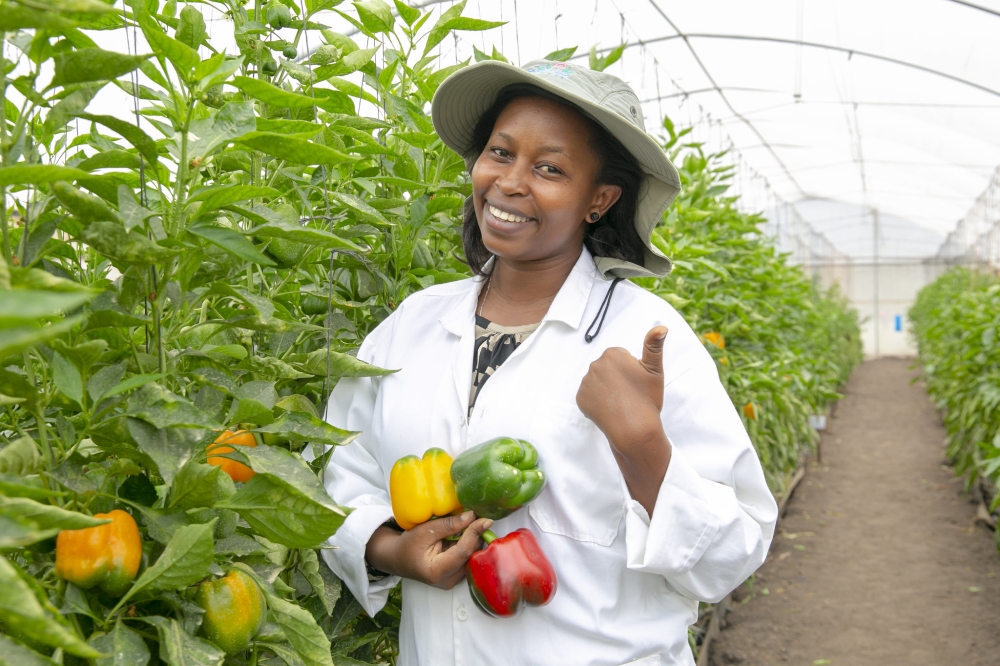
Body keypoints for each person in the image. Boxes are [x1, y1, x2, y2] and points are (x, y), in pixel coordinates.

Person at [322, 58, 778, 666]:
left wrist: (643, 446)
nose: (510, 182)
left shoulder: (642, 335)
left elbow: (735, 551)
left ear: (600, 199)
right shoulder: (412, 327)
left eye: (550, 168)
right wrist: (390, 548)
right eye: (500, 153)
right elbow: (337, 471)